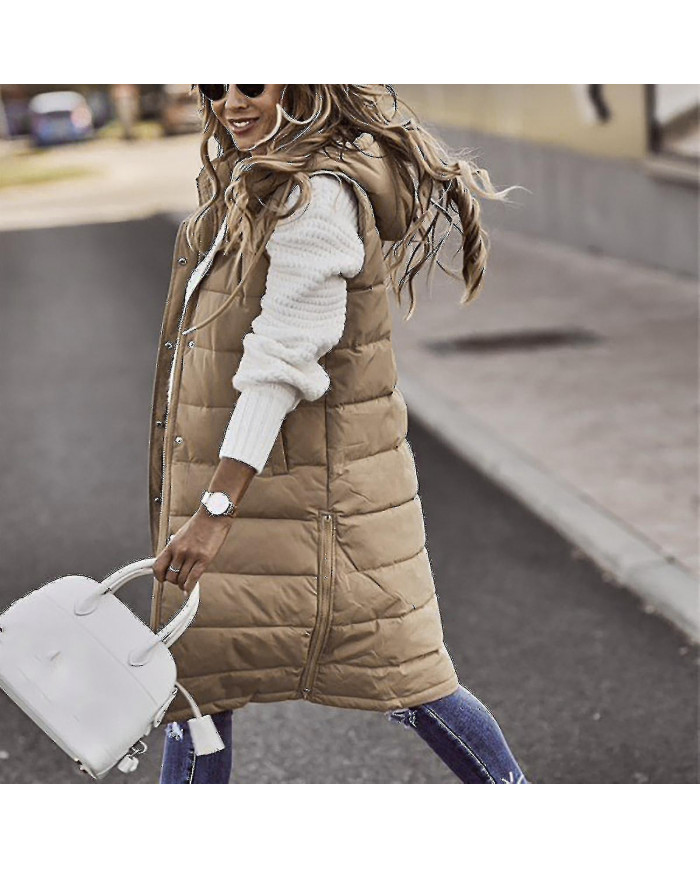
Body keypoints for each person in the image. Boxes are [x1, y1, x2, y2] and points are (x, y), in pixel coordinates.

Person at [149, 84, 529, 784]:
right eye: (215, 87)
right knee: (200, 689)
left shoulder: (315, 197)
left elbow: (281, 361)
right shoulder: (259, 180)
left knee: (409, 679)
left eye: (252, 84)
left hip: (317, 506)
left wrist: (214, 511)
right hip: (260, 490)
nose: (231, 103)